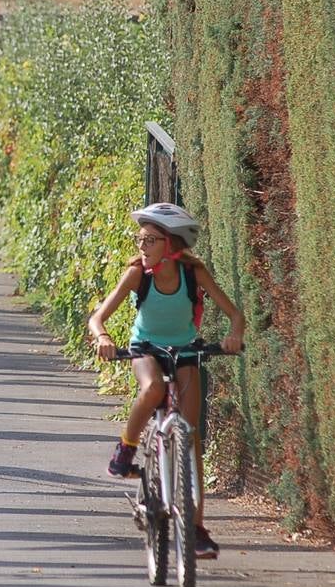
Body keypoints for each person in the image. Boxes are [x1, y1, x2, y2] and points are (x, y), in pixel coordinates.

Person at [87, 203, 244, 560]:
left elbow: (234, 313)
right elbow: (98, 318)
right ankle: (126, 448)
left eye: (150, 240)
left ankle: (198, 529)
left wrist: (234, 334)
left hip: (186, 349)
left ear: (171, 244)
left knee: (190, 438)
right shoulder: (137, 275)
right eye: (140, 239)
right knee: (154, 389)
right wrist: (104, 338)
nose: (142, 246)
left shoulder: (194, 273)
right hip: (145, 348)